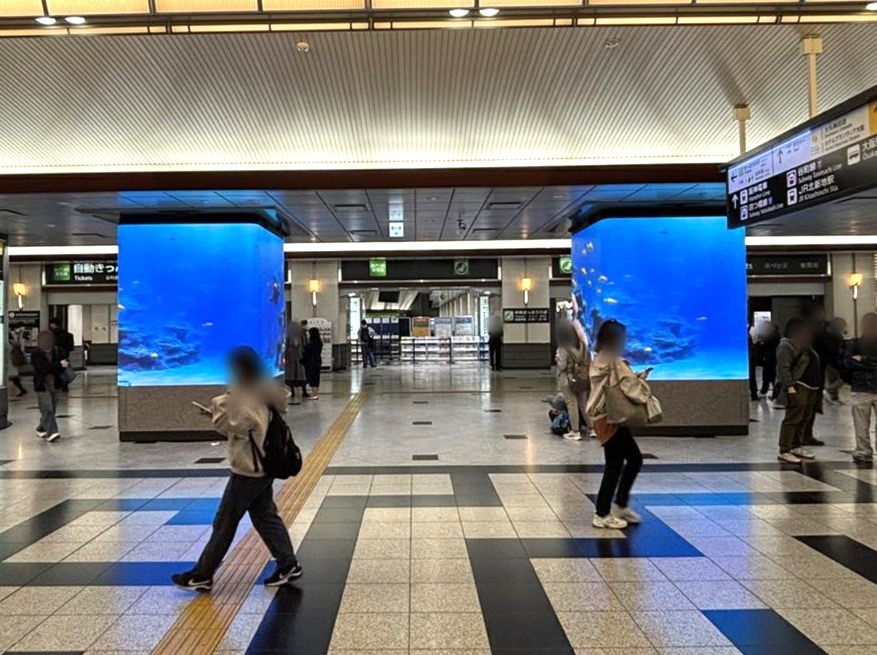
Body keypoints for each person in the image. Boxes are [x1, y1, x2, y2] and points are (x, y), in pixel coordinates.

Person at [172, 346, 301, 592]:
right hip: (264, 463)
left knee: (225, 520)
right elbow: (247, 425)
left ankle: (202, 574)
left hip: (250, 469)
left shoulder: (245, 396)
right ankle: (288, 564)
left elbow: (230, 422)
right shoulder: (264, 390)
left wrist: (223, 401)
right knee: (264, 515)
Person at [586, 319, 647, 530]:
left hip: (601, 418)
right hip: (611, 418)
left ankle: (618, 504)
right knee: (621, 463)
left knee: (627, 459)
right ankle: (603, 512)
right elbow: (631, 387)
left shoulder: (598, 359)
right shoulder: (615, 362)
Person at [777, 317, 821, 464]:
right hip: (798, 386)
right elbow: (783, 369)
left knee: (804, 417)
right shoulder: (786, 346)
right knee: (792, 418)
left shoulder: (806, 346)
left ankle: (796, 445)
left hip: (812, 387)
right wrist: (790, 387)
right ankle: (785, 449)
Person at [843, 313, 877, 462]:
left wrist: (863, 359)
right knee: (861, 424)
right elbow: (846, 362)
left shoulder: (855, 346)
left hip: (865, 384)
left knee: (862, 421)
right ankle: (863, 450)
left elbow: (853, 362)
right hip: (860, 387)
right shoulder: (853, 344)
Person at [31, 330, 68, 443]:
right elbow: (42, 368)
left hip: (56, 384)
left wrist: (57, 366)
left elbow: (64, 365)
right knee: (48, 408)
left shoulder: (58, 351)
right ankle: (52, 432)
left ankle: (42, 427)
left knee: (53, 408)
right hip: (42, 385)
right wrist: (57, 365)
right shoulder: (36, 354)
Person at [555, 321, 590, 441]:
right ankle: (593, 428)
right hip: (583, 378)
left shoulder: (563, 348)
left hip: (568, 379)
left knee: (572, 404)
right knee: (583, 404)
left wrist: (557, 359)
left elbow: (562, 366)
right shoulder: (583, 346)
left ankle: (575, 431)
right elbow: (588, 361)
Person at [824, 317, 848, 404]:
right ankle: (830, 390)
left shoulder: (828, 335)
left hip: (829, 360)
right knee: (843, 377)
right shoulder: (836, 336)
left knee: (833, 378)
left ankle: (834, 397)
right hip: (834, 360)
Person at [284, 319, 308, 402]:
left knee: (302, 374)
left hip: (300, 357)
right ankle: (293, 391)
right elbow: (286, 347)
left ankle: (304, 391)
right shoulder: (289, 337)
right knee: (291, 375)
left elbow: (305, 346)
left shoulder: (302, 336)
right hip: (292, 358)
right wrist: (286, 356)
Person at [48, 318, 74, 392]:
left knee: (56, 371)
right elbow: (71, 347)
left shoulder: (52, 334)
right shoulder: (68, 335)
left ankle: (58, 385)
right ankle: (65, 385)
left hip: (55, 357)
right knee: (63, 370)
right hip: (64, 356)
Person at [302, 326, 323, 400]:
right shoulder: (319, 342)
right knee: (316, 377)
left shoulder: (312, 343)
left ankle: (314, 394)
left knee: (313, 377)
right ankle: (315, 393)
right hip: (317, 360)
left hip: (312, 361)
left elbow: (307, 352)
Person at [8, 330, 28, 398]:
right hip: (12, 362)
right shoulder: (12, 342)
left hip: (10, 362)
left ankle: (20, 390)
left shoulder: (7, 343)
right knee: (13, 377)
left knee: (12, 377)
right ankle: (21, 389)